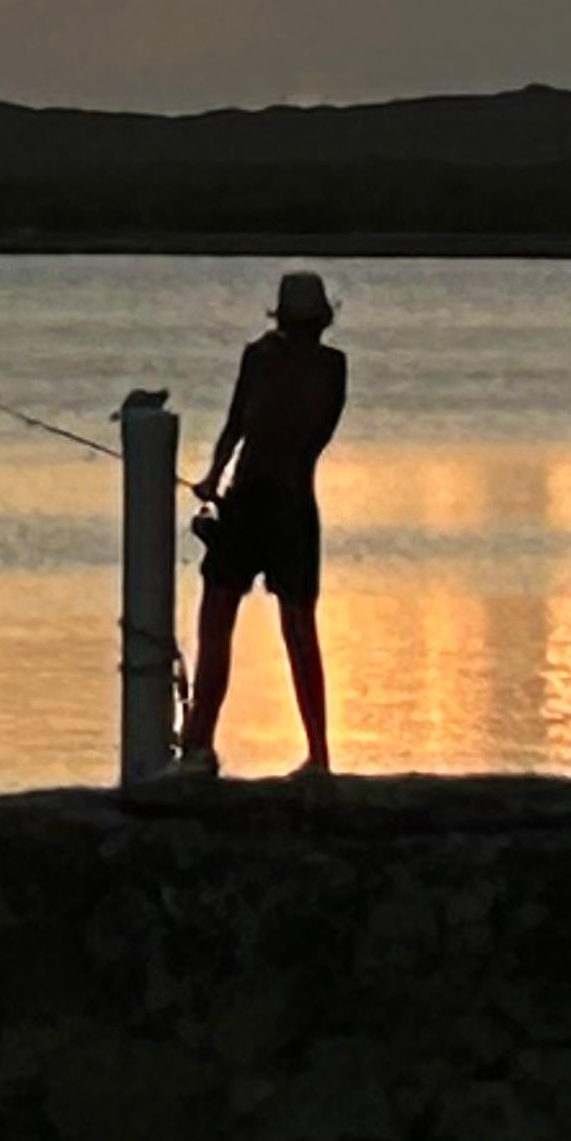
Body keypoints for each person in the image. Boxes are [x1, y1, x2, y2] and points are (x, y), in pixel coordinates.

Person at [178, 269, 347, 780]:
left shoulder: (262, 357)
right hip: (293, 501)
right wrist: (214, 480)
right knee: (296, 630)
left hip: (255, 498)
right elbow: (311, 433)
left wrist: (212, 479)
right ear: (321, 320)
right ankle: (317, 757)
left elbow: (238, 425)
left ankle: (200, 749)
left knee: (220, 623)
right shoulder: (332, 368)